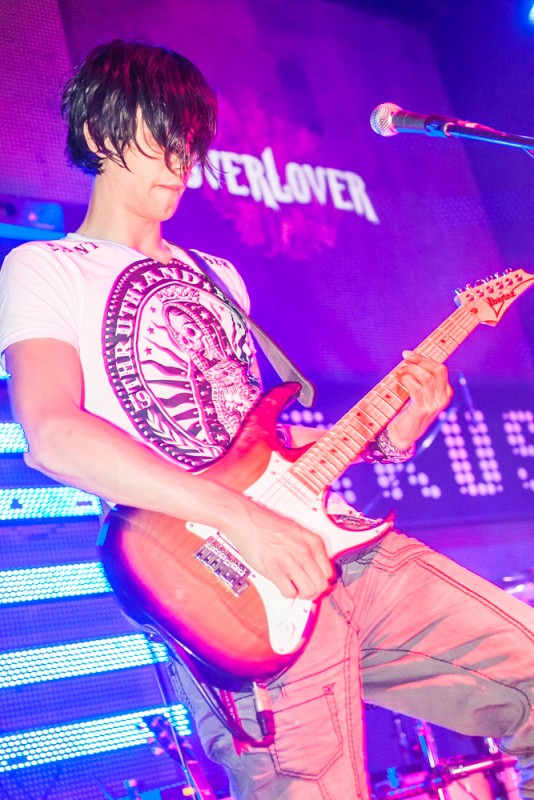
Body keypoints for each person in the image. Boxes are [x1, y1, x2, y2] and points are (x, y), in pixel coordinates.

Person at [0, 39, 533, 800]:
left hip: (339, 556)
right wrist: (244, 523)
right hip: (228, 590)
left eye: (189, 141)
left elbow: (258, 447)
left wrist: (392, 438)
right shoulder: (45, 268)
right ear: (96, 132)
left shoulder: (218, 277)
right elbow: (54, 435)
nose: (181, 160)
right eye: (159, 135)